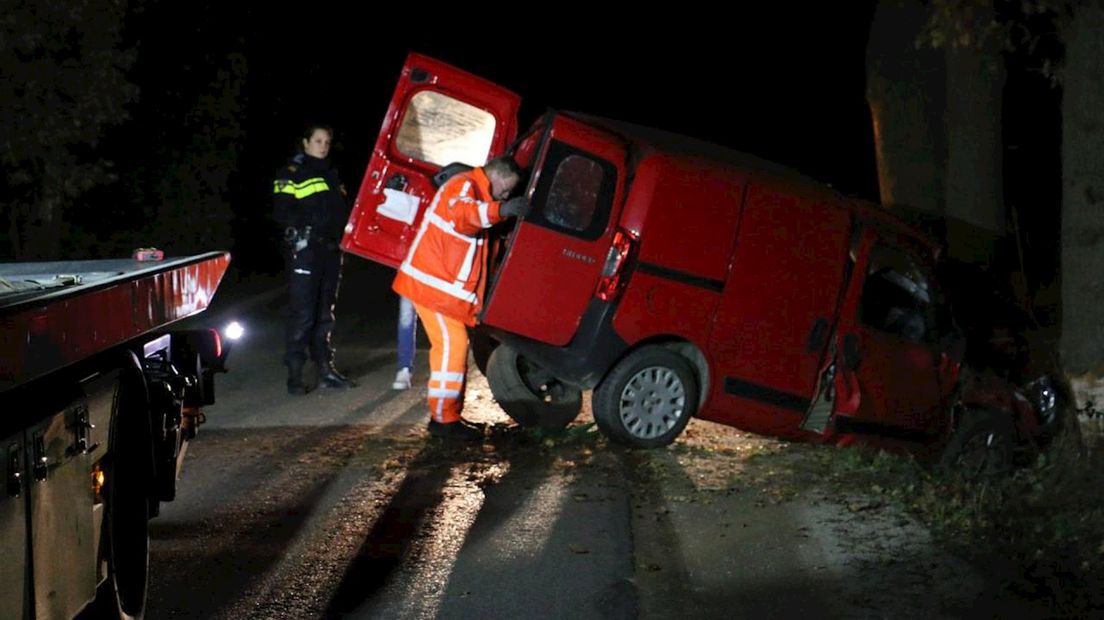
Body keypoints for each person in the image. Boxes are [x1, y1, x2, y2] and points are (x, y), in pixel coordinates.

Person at [392, 156, 529, 439]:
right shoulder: (464, 186)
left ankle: (448, 417)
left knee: (452, 349)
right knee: (452, 349)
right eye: (507, 189)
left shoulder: (474, 192)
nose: (506, 195)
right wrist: (502, 209)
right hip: (433, 290)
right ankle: (444, 422)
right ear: (499, 177)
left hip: (438, 290)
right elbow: (464, 216)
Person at [273, 123, 357, 394]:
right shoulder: (291, 173)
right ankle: (295, 376)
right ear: (306, 143)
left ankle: (325, 370)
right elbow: (282, 212)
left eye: (326, 142)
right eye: (318, 141)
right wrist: (309, 227)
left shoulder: (332, 174)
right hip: (306, 251)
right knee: (303, 314)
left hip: (331, 252)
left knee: (324, 315)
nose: (323, 146)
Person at [392, 295, 416, 390]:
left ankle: (447, 369)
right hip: (411, 283)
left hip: (440, 282)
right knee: (406, 319)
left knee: (442, 318)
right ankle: (404, 368)